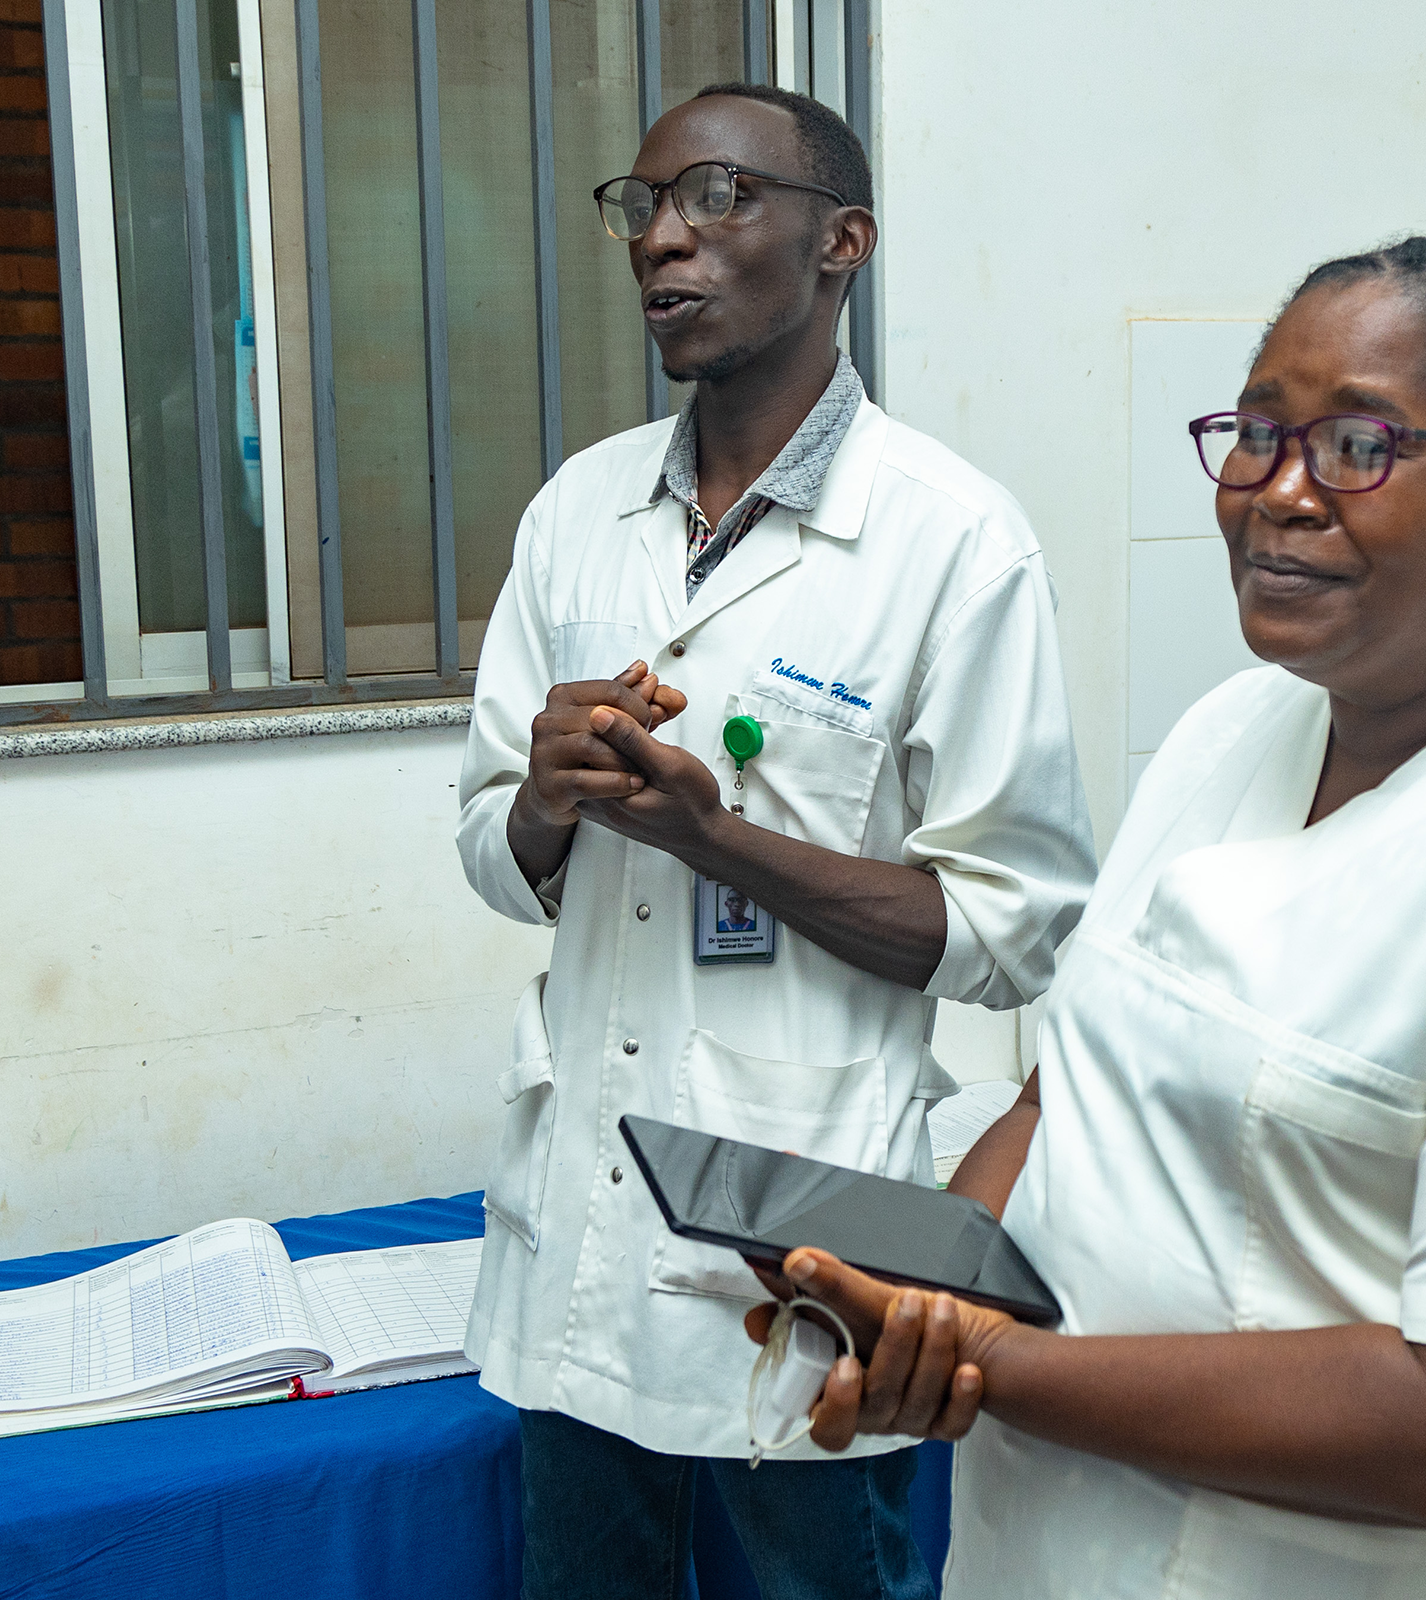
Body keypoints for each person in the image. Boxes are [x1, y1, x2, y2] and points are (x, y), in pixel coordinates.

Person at [747, 238, 1426, 1599]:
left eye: (1359, 447)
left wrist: (991, 1366)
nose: (1279, 494)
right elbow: (1064, 1100)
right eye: (1255, 434)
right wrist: (916, 1303)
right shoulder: (1234, 728)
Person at [455, 83, 1096, 1600]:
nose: (662, 238)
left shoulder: (952, 540)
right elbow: (489, 850)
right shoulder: (578, 512)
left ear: (842, 242)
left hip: (807, 1242)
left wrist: (719, 840)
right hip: (580, 1223)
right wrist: (546, 797)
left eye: (719, 196)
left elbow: (1012, 931)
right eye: (644, 206)